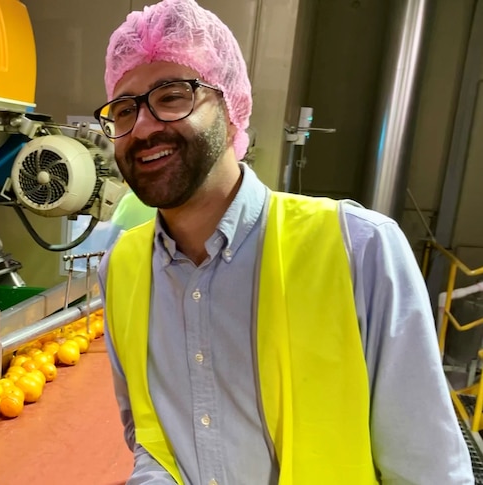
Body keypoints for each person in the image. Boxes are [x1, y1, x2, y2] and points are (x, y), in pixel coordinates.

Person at [94, 1, 474, 483]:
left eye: (172, 96)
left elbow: (429, 473)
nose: (143, 127)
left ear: (231, 108)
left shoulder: (360, 251)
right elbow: (153, 440)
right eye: (124, 109)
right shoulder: (122, 269)